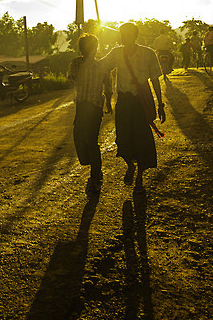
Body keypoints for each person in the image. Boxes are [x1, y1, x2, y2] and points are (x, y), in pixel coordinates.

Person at [103, 22, 166, 193]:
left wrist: (160, 104)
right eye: (121, 34)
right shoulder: (116, 53)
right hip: (123, 101)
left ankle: (139, 175)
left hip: (140, 101)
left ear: (134, 36)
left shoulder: (148, 53)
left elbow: (155, 80)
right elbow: (102, 68)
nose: (122, 37)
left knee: (142, 138)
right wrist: (107, 95)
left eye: (126, 34)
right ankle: (130, 165)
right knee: (122, 138)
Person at [67, 34, 112, 195]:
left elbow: (108, 82)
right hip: (82, 105)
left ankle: (95, 177)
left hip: (94, 107)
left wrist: (108, 100)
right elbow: (71, 79)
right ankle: (93, 166)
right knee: (79, 136)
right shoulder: (76, 63)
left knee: (91, 141)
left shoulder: (100, 65)